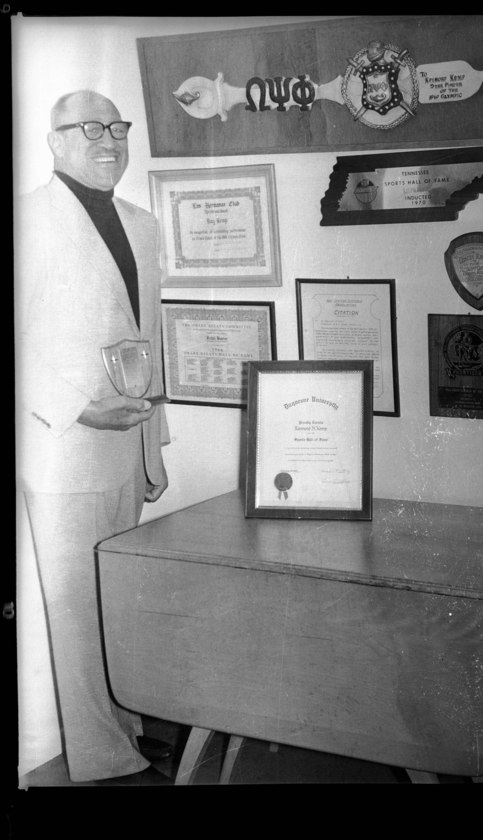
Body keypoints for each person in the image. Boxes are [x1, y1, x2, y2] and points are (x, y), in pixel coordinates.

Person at [15, 90, 173, 785]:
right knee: (75, 611)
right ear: (54, 141)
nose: (108, 140)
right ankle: (102, 761)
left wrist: (153, 441)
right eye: (90, 129)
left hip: (127, 441)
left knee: (116, 601)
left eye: (117, 127)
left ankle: (127, 726)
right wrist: (80, 411)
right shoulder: (25, 218)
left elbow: (151, 333)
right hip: (65, 447)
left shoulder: (141, 223)